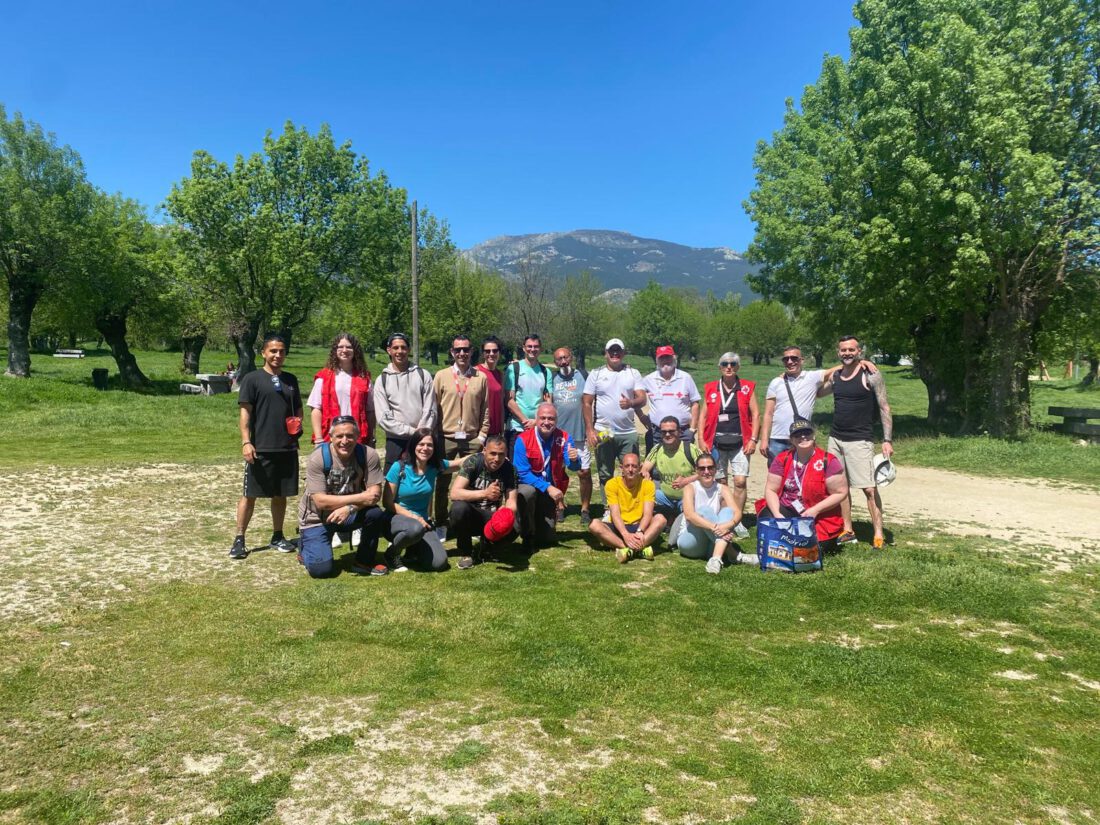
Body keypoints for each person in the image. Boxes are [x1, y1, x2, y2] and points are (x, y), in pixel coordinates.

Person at [230, 334, 302, 560]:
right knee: (249, 494)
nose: (277, 355)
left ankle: (277, 536)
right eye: (273, 351)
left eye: (281, 351)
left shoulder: (291, 379)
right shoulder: (252, 379)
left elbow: (298, 408)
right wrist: (246, 441)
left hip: (287, 448)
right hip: (260, 448)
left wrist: (298, 424)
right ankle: (239, 539)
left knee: (280, 495)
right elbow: (245, 413)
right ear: (263, 353)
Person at [819, 335, 894, 548]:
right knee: (840, 487)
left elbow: (884, 407)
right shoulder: (835, 376)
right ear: (838, 352)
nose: (847, 353)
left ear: (859, 351)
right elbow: (814, 393)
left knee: (869, 489)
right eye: (843, 350)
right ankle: (847, 530)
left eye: (851, 350)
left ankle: (878, 533)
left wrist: (887, 440)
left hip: (860, 440)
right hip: (835, 439)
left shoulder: (870, 374)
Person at [297, 416, 389, 577]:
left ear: (357, 437)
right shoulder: (318, 458)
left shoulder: (368, 455)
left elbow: (374, 495)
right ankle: (305, 546)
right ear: (331, 437)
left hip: (349, 513)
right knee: (321, 570)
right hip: (317, 518)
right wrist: (360, 498)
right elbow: (321, 501)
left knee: (374, 513)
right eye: (339, 436)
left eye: (350, 436)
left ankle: (363, 561)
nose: (345, 441)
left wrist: (349, 508)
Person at [432, 334, 490, 532]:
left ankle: (471, 522)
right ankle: (440, 521)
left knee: (473, 482)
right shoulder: (441, 376)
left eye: (466, 349)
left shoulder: (480, 377)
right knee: (442, 481)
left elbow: (486, 409)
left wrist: (482, 435)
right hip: (446, 437)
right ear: (452, 352)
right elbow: (434, 408)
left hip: (472, 438)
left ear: (472, 351)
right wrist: (434, 436)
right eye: (458, 350)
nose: (462, 353)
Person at [760, 418, 848, 546]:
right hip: (789, 507)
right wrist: (777, 514)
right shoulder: (782, 458)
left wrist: (815, 510)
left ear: (813, 435)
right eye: (797, 434)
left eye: (807, 433)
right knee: (767, 518)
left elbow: (841, 492)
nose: (802, 437)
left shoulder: (828, 460)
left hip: (818, 514)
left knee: (811, 548)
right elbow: (771, 489)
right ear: (791, 440)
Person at [700, 352, 759, 539]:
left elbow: (756, 415)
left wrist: (753, 439)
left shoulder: (747, 388)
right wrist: (701, 439)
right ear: (719, 367)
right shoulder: (711, 388)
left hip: (740, 443)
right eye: (725, 364)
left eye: (733, 364)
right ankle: (725, 519)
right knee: (722, 483)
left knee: (740, 482)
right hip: (716, 443)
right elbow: (703, 415)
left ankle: (737, 519)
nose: (729, 367)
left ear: (738, 367)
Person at [382, 428, 458, 571]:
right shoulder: (399, 467)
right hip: (396, 519)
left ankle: (412, 550)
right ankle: (392, 554)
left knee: (439, 563)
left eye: (430, 445)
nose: (425, 448)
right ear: (413, 445)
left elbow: (458, 464)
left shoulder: (434, 467)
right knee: (415, 529)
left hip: (423, 524)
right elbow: (387, 502)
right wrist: (414, 517)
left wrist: (483, 455)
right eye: (421, 444)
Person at [583, 338, 646, 504]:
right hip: (604, 431)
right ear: (606, 353)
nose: (615, 354)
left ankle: (632, 507)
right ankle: (608, 508)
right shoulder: (596, 374)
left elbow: (642, 399)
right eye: (612, 351)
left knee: (632, 471)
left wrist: (631, 403)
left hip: (628, 432)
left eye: (618, 351)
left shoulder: (633, 373)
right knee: (605, 473)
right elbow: (587, 402)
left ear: (624, 353)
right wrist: (590, 430)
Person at [514, 403, 582, 550]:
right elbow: (522, 473)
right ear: (536, 420)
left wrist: (575, 459)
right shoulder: (523, 439)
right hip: (531, 486)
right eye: (543, 418)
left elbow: (573, 466)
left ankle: (533, 524)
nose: (546, 422)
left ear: (556, 421)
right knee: (527, 492)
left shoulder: (564, 437)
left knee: (547, 539)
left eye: (551, 419)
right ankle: (526, 536)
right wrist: (548, 487)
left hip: (549, 493)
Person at [448, 435, 519, 568]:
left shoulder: (510, 469)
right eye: (492, 453)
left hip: (492, 516)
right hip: (471, 515)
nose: (497, 459)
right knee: (458, 508)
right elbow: (454, 493)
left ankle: (487, 546)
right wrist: (484, 493)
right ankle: (466, 552)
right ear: (484, 450)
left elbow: (512, 503)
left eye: (501, 455)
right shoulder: (473, 462)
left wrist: (504, 514)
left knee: (515, 525)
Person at [676, 452, 752, 574]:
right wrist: (716, 528)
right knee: (704, 510)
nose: (706, 472)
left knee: (728, 511)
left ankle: (715, 559)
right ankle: (733, 554)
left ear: (715, 469)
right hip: (690, 542)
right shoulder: (690, 488)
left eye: (710, 468)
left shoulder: (723, 488)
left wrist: (726, 526)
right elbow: (690, 516)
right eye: (702, 468)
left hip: (712, 542)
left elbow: (737, 513)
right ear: (696, 470)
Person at [588, 453, 666, 563]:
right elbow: (615, 514)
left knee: (661, 519)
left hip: (639, 526)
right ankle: (632, 548)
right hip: (619, 526)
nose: (630, 469)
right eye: (627, 466)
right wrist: (625, 534)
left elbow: (648, 514)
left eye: (634, 466)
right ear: (621, 468)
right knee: (594, 525)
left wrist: (640, 531)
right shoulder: (612, 484)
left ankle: (628, 550)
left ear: (640, 468)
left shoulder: (648, 485)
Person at [373, 332, 436, 470]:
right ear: (389, 350)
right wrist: (412, 431)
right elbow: (383, 418)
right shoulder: (382, 380)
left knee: (421, 479)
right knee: (394, 484)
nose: (399, 351)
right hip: (396, 441)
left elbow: (430, 408)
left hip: (422, 440)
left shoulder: (423, 375)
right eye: (395, 348)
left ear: (409, 349)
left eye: (403, 347)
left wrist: (422, 432)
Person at [307, 332, 374, 446]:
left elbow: (370, 411)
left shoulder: (364, 378)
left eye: (349, 347)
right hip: (330, 438)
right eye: (340, 347)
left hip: (357, 438)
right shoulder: (323, 377)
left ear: (355, 350)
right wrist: (318, 438)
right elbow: (316, 409)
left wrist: (371, 437)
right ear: (335, 350)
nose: (344, 350)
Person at [551, 346, 593, 524]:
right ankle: (559, 506)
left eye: (566, 357)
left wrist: (591, 428)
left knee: (584, 472)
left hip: (579, 434)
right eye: (559, 359)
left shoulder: (583, 375)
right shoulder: (552, 378)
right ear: (555, 362)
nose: (563, 362)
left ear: (572, 357)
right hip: (558, 435)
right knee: (558, 472)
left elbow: (591, 402)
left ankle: (585, 509)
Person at [639, 345, 701, 453]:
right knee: (655, 466)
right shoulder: (648, 379)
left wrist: (692, 429)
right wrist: (641, 416)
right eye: (661, 358)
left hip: (683, 432)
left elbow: (695, 403)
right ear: (657, 361)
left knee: (685, 465)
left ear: (674, 359)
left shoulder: (686, 378)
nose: (665, 361)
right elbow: (635, 398)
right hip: (657, 433)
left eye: (668, 357)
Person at [641, 417, 701, 519]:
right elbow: (645, 467)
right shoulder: (657, 448)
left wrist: (687, 480)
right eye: (664, 432)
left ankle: (676, 517)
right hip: (664, 496)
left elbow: (707, 472)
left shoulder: (690, 449)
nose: (667, 435)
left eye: (671, 431)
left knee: (689, 515)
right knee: (642, 493)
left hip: (686, 497)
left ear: (679, 432)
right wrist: (645, 473)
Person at [504, 333, 551, 451]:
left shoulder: (546, 372)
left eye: (536, 346)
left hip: (538, 428)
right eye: (529, 346)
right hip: (517, 427)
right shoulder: (514, 369)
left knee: (537, 466)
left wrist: (535, 422)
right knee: (515, 467)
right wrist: (525, 421)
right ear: (524, 347)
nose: (532, 349)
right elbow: (509, 400)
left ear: (540, 349)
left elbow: (548, 402)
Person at [476, 335, 507, 439]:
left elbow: (501, 404)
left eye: (495, 351)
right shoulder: (475, 372)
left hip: (496, 432)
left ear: (499, 352)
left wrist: (502, 429)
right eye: (487, 351)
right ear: (483, 353)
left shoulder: (500, 375)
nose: (491, 354)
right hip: (479, 432)